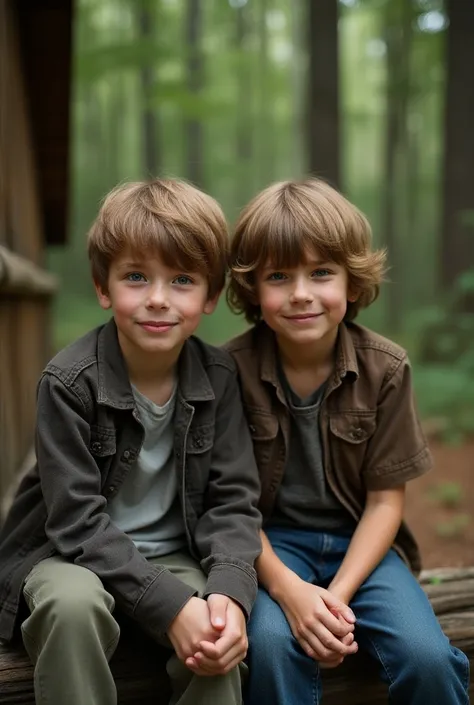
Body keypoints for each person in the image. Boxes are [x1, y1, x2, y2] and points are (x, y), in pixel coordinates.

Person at [0, 178, 262, 705]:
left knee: (214, 630)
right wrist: (166, 605)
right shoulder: (69, 382)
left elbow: (234, 502)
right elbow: (74, 521)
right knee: (73, 609)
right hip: (68, 558)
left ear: (211, 296)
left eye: (183, 280)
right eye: (136, 277)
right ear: (103, 287)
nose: (158, 300)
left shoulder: (221, 376)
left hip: (174, 553)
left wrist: (229, 594)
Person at [224, 178, 470, 705]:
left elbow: (385, 500)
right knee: (268, 644)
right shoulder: (228, 372)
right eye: (278, 276)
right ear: (252, 289)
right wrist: (290, 594)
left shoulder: (385, 368)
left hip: (362, 547)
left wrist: (334, 600)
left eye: (321, 272)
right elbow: (230, 506)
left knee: (426, 656)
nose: (301, 293)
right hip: (267, 548)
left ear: (352, 282)